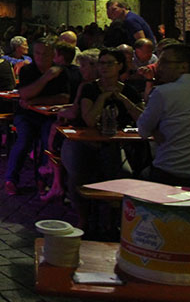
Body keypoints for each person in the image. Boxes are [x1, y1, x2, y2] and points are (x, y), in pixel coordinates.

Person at [61, 47, 144, 228]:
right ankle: (83, 219)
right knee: (79, 174)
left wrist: (123, 100)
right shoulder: (90, 88)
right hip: (85, 142)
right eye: (101, 63)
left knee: (124, 174)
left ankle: (113, 221)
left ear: (120, 66)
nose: (104, 67)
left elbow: (142, 119)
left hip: (115, 144)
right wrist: (103, 97)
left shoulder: (129, 91)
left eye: (109, 63)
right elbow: (90, 120)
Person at [5, 37, 69, 196]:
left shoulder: (61, 72)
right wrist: (45, 78)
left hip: (49, 117)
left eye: (45, 53)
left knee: (49, 140)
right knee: (24, 140)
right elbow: (24, 94)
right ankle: (11, 179)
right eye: (38, 53)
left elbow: (64, 98)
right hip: (26, 115)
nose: (41, 57)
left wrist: (34, 100)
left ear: (53, 54)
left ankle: (42, 179)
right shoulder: (27, 70)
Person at [137, 43, 190, 189]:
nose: (159, 67)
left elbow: (143, 130)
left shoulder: (163, 92)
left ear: (184, 66)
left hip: (169, 170)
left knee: (137, 176)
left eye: (164, 62)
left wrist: (154, 129)